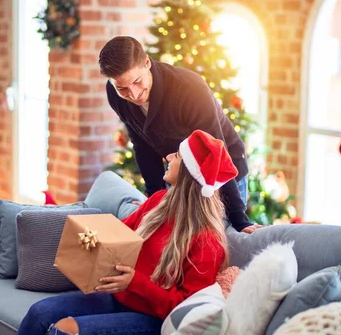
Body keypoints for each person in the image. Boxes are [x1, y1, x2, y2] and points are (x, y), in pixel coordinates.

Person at [11, 130, 237, 335]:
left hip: (152, 318)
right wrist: (93, 241)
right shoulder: (159, 201)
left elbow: (186, 307)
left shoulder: (208, 242)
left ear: (190, 172)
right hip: (118, 298)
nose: (168, 157)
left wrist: (134, 282)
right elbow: (120, 232)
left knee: (65, 331)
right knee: (39, 312)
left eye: (177, 155)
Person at [99, 36, 262, 234]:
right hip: (184, 177)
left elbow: (216, 152)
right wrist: (154, 199)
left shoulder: (189, 89)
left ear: (147, 63)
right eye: (122, 88)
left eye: (137, 81)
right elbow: (142, 146)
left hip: (224, 172)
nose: (133, 94)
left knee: (224, 237)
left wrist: (239, 219)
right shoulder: (115, 94)